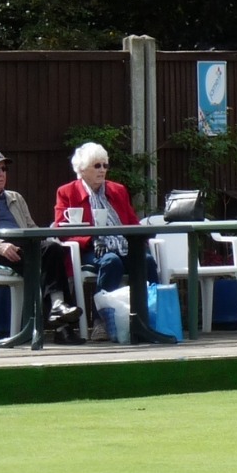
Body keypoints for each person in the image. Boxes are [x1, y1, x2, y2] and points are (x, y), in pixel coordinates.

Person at [0, 146, 82, 343]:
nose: (2, 174)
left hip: (22, 248)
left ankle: (56, 309)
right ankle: (61, 325)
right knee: (44, 262)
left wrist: (49, 233)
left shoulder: (16, 198)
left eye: (4, 169)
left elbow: (31, 227)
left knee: (52, 249)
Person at [51, 142, 154, 340]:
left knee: (146, 261)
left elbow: (132, 221)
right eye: (97, 166)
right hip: (89, 249)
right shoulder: (67, 192)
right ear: (82, 169)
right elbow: (60, 230)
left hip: (123, 244)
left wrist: (141, 236)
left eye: (105, 165)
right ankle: (102, 322)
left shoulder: (118, 190)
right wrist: (90, 239)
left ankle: (149, 316)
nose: (102, 170)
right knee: (110, 261)